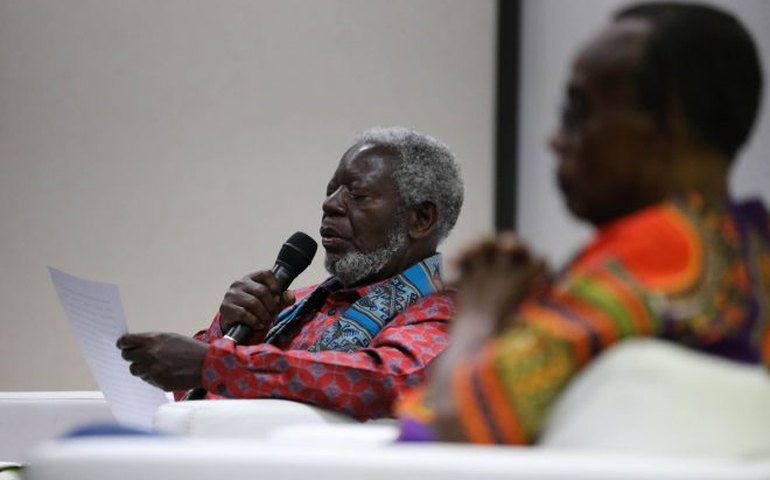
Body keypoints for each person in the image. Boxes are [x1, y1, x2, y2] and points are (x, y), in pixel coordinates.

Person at [397, 2, 769, 443]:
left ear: (665, 130)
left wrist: (479, 310)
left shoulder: (652, 256)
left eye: (578, 113)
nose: (556, 139)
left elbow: (450, 423)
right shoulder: (748, 247)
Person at [117, 126, 464, 420]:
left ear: (420, 219)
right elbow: (188, 397)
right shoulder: (293, 303)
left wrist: (217, 363)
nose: (330, 204)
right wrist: (227, 331)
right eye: (332, 191)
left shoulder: (444, 317)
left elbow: (388, 380)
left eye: (357, 195)